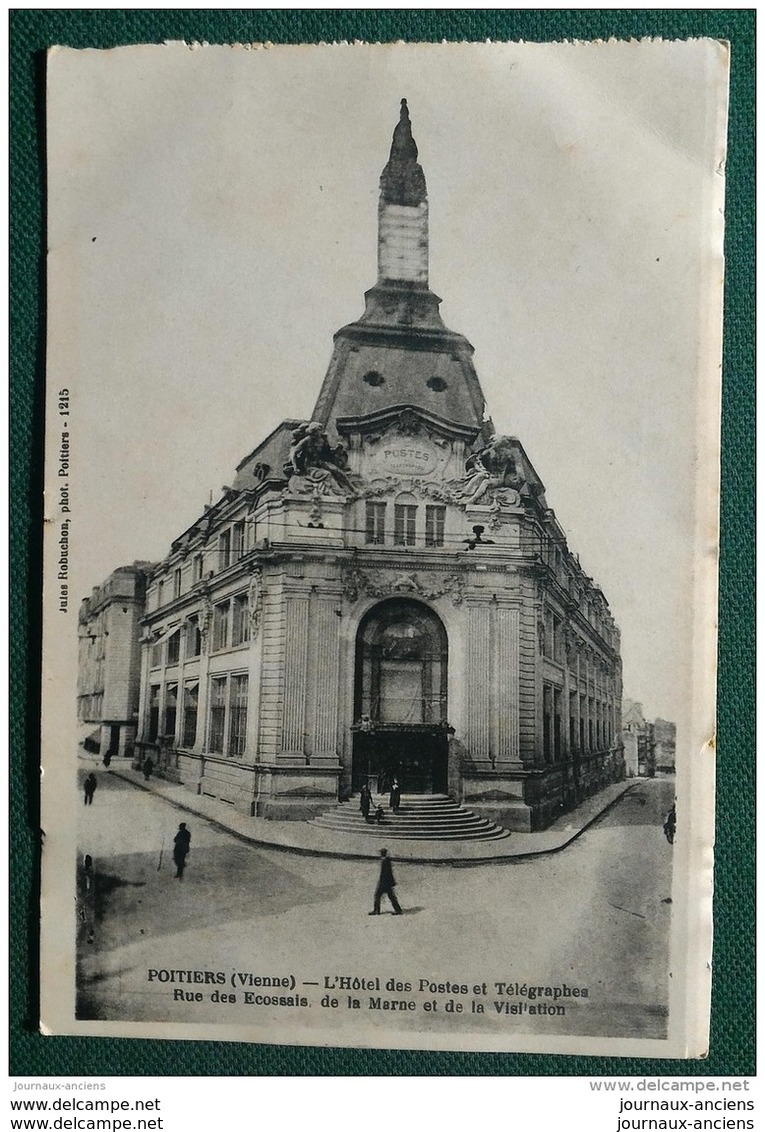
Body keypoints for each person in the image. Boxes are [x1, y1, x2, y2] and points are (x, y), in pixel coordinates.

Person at [369, 848, 402, 915]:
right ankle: (398, 910)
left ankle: (376, 910)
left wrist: (381, 882)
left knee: (377, 895)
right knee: (391, 897)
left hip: (384, 883)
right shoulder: (387, 861)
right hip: (387, 883)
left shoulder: (384, 861)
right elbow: (389, 873)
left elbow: (384, 874)